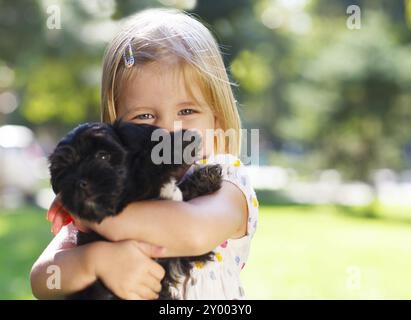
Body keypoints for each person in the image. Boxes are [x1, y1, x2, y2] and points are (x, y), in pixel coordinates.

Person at [30, 8, 258, 300]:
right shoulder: (115, 187)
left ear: (216, 118)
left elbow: (193, 233)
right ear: (116, 126)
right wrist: (94, 261)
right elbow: (43, 281)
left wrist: (91, 214)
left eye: (187, 111)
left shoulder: (227, 180)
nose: (167, 131)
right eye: (145, 116)